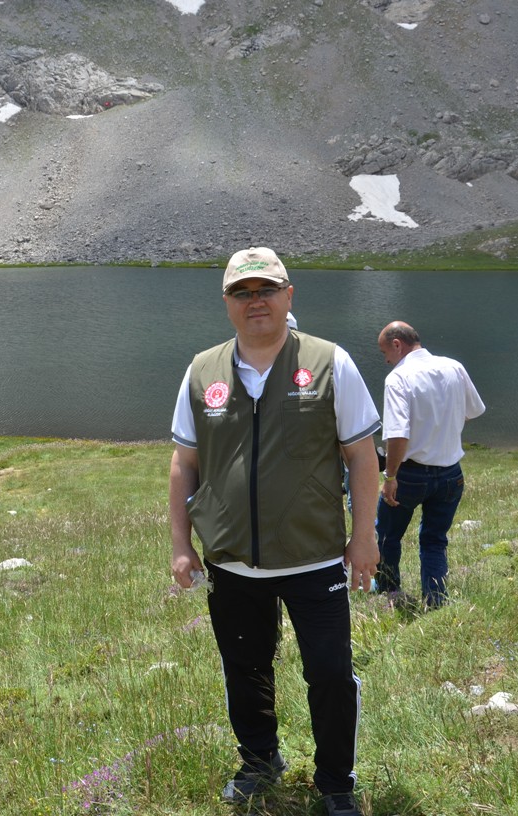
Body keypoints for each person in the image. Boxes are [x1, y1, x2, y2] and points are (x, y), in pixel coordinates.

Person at [168, 247, 380, 816]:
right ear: (227, 303)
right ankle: (260, 762)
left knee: (331, 675)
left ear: (289, 295)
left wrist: (365, 536)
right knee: (244, 667)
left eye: (266, 289)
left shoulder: (331, 361)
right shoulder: (202, 370)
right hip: (232, 562)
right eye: (242, 292)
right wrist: (182, 545)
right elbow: (183, 464)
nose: (255, 300)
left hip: (314, 558)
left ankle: (337, 782)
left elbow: (362, 456)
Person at [375, 321, 486, 608]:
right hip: (451, 473)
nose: (385, 359)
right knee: (434, 540)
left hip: (411, 473)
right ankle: (435, 599)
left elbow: (398, 434)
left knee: (388, 536)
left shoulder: (398, 378)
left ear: (397, 344)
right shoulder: (453, 367)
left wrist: (390, 476)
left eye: (384, 351)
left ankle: (390, 593)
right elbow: (474, 411)